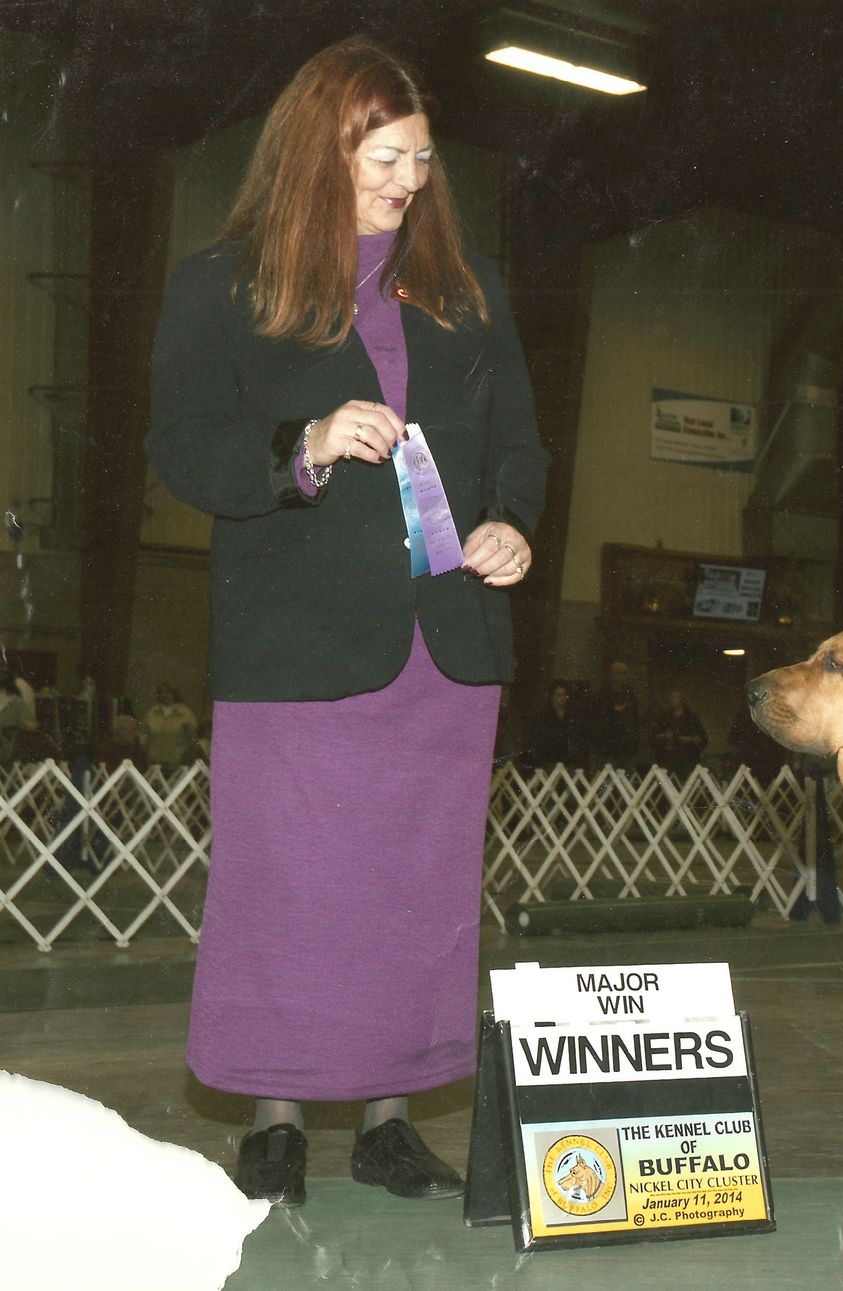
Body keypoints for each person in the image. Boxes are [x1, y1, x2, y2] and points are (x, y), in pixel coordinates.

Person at [146, 37, 548, 1210]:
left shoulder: (470, 292)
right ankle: (273, 1121)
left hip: (444, 649)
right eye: (383, 159)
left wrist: (510, 526)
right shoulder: (222, 286)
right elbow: (182, 445)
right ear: (318, 153)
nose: (408, 181)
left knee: (417, 892)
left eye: (421, 159)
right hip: (297, 649)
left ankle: (389, 1122)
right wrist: (305, 445)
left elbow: (519, 444)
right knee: (290, 883)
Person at [524, 680, 587, 770]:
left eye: (564, 695)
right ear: (552, 697)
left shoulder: (572, 715)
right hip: (550, 761)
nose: (563, 698)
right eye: (559, 695)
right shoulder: (543, 716)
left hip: (569, 762)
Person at [591, 659, 641, 771]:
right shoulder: (602, 695)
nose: (627, 676)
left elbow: (635, 719)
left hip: (628, 749)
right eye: (623, 673)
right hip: (607, 750)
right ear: (614, 675)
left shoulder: (631, 695)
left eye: (627, 673)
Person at [650, 690, 708, 778]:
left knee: (687, 779)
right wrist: (664, 736)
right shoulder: (665, 717)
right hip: (669, 756)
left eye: (675, 698)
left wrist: (689, 739)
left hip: (687, 756)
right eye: (671, 698)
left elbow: (702, 737)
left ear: (682, 700)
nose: (672, 700)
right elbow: (656, 735)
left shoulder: (691, 717)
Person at [142, 682, 199, 768]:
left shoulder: (186, 714)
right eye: (161, 692)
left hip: (177, 762)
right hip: (154, 761)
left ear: (174, 693)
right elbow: (144, 734)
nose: (164, 695)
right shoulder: (151, 713)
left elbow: (192, 739)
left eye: (167, 692)